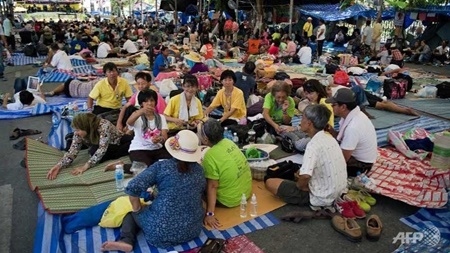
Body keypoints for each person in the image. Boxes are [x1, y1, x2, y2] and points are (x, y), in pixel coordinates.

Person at [100, 130, 205, 251]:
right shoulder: (200, 170)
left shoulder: (161, 167)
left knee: (131, 215)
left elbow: (133, 187)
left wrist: (138, 210)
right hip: (192, 230)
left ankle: (126, 241)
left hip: (160, 232)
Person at [265, 104, 347, 208]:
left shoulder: (313, 145)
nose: (300, 121)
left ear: (309, 123)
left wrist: (302, 186)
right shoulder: (330, 138)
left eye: (302, 118)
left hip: (321, 197)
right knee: (297, 172)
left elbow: (305, 176)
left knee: (270, 183)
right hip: (338, 191)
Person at [46, 113, 133, 180]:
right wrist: (58, 166)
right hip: (98, 142)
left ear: (85, 127)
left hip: (116, 141)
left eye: (78, 130)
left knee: (133, 144)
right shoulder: (80, 131)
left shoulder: (103, 125)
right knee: (72, 142)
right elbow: (73, 151)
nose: (76, 132)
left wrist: (85, 166)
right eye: (75, 130)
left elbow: (102, 149)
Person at [200, 119, 252, 229]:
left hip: (229, 200)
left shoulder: (209, 156)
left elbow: (212, 186)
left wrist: (210, 214)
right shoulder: (229, 142)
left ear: (205, 139)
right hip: (245, 193)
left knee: (196, 185)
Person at [325, 89, 377, 177]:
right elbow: (343, 138)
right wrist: (331, 130)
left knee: (325, 162)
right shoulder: (353, 115)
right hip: (360, 158)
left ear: (343, 107)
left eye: (333, 105)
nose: (331, 106)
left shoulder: (353, 127)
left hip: (361, 166)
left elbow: (343, 159)